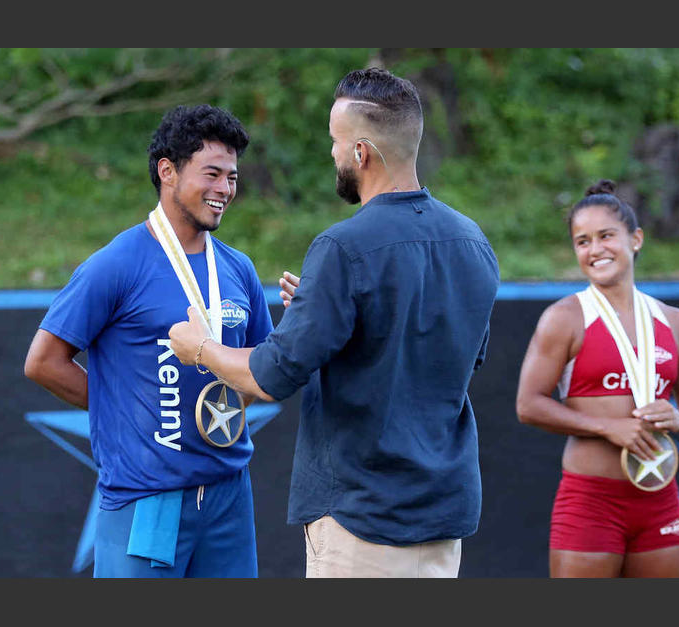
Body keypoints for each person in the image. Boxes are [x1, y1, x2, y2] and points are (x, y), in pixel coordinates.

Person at [168, 67, 500, 578]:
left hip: (361, 520)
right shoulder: (474, 242)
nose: (333, 154)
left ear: (362, 153)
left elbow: (269, 377)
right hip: (442, 521)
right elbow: (437, 349)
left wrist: (200, 349)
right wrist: (326, 310)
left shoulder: (343, 248)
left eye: (336, 142)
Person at [23, 104, 274, 578]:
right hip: (148, 499)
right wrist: (125, 411)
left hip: (228, 496)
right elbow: (43, 361)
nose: (224, 189)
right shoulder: (117, 264)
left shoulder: (237, 269)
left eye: (232, 178)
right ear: (168, 171)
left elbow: (267, 368)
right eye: (212, 174)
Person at [514, 179, 679, 578]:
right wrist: (607, 427)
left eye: (606, 236)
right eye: (582, 241)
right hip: (591, 499)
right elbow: (528, 405)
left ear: (635, 239)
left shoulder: (675, 323)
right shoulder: (565, 318)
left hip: (659, 496)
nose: (595, 249)